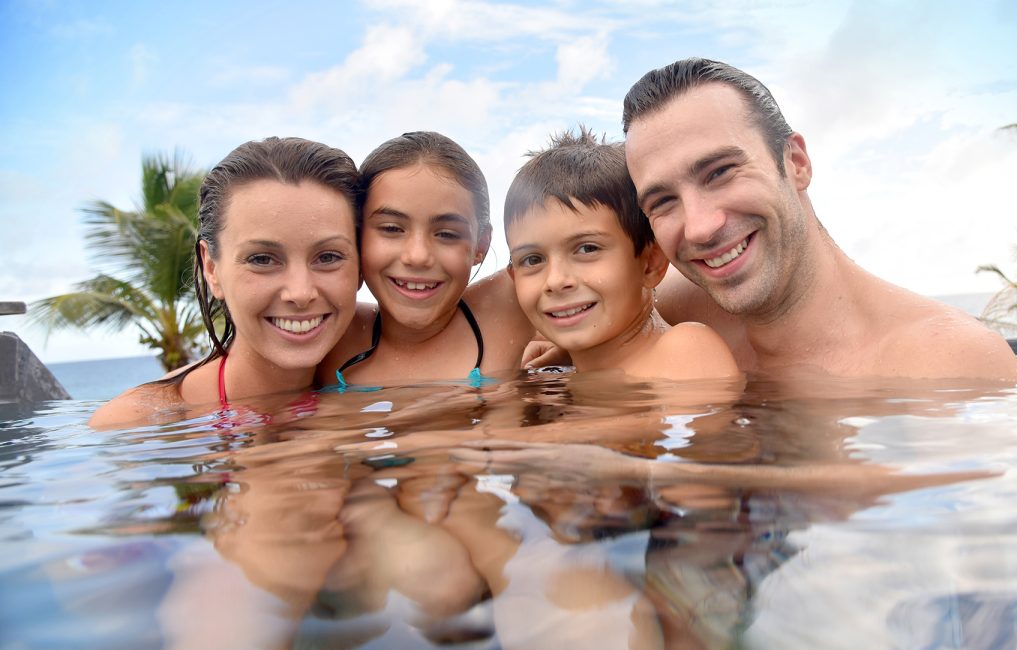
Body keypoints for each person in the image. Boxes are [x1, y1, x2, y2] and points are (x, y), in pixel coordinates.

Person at [618, 58, 1017, 382]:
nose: (700, 227)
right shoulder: (673, 307)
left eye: (721, 172)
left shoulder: (949, 361)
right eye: (663, 200)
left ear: (796, 163)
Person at [90, 136, 363, 428]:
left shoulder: (381, 353)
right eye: (261, 259)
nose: (300, 293)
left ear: (361, 264)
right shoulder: (139, 424)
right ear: (211, 268)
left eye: (328, 257)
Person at [504, 128, 739, 380]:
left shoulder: (687, 349)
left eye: (587, 248)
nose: (556, 281)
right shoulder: (557, 373)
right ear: (513, 276)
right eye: (533, 259)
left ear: (650, 264)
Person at [320, 131, 533, 386]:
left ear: (481, 245)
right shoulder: (326, 329)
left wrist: (573, 351)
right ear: (356, 235)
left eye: (446, 234)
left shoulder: (509, 307)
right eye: (391, 229)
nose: (418, 256)